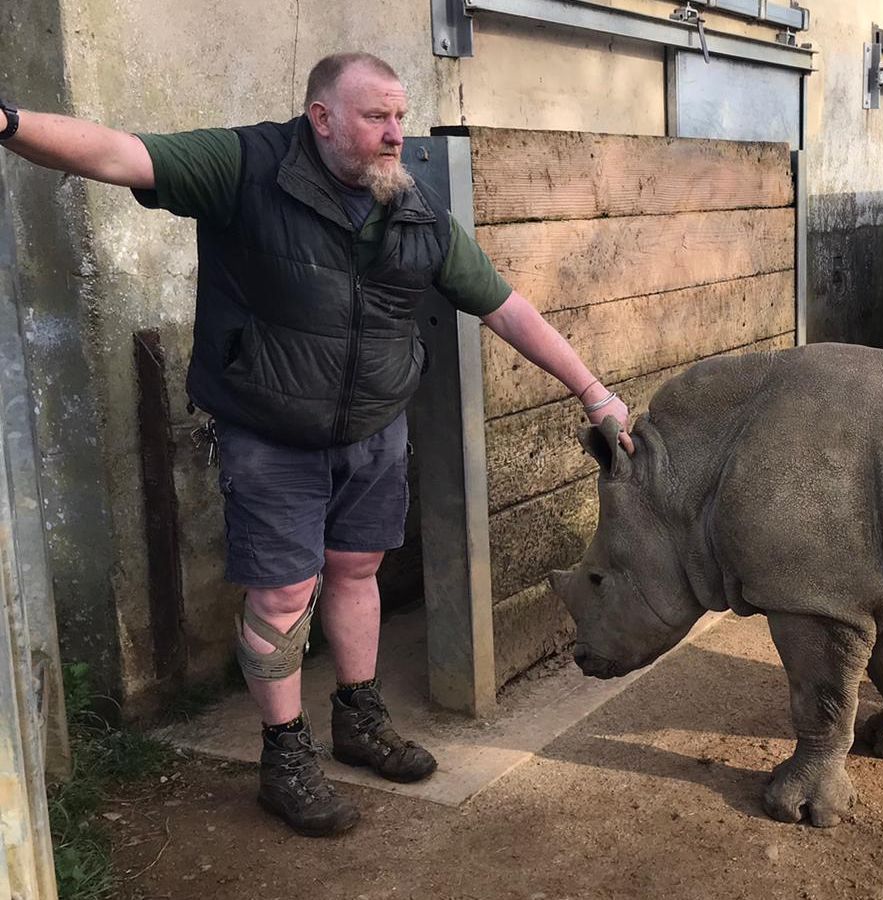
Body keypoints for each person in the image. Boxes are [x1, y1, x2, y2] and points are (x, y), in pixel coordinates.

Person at [0, 52, 633, 837]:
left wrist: (593, 390)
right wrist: (8, 122)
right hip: (271, 432)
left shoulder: (412, 206)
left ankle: (358, 718)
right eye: (377, 118)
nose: (396, 133)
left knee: (357, 567)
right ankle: (283, 753)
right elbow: (119, 151)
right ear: (322, 117)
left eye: (401, 116)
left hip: (372, 430)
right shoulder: (247, 165)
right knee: (281, 594)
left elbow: (505, 307)